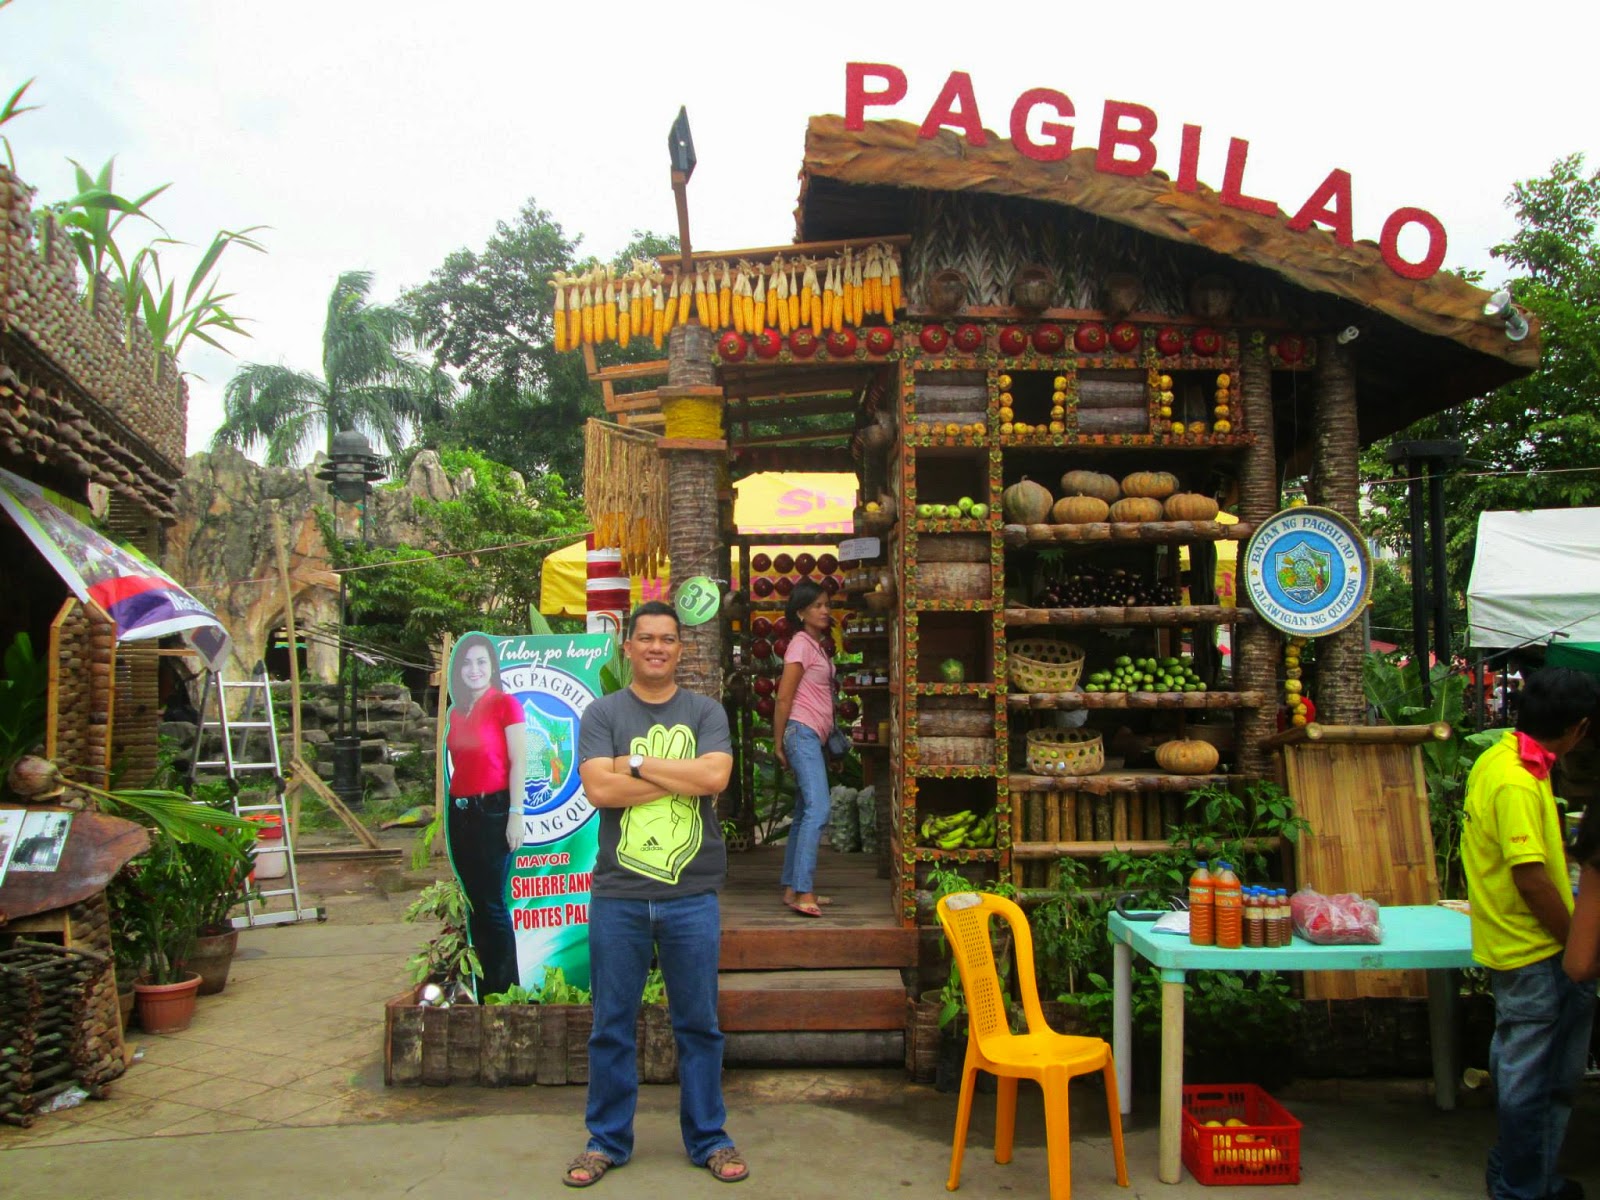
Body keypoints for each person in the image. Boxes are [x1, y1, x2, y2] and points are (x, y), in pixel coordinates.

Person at [565, 601, 745, 1188]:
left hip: (691, 894)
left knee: (699, 1023)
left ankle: (709, 1139)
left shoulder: (706, 711)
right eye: (646, 639)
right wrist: (676, 776)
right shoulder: (603, 713)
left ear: (680, 649)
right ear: (629, 647)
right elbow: (597, 789)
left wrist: (635, 763)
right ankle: (606, 1140)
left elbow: (714, 779)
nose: (657, 648)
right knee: (611, 1024)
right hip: (618, 895)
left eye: (668, 639)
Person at [1461, 666, 1598, 1200]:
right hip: (1535, 952)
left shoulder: (1501, 758)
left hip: (1518, 947)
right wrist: (1575, 944)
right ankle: (1522, 1188)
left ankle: (1525, 1178)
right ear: (1579, 728)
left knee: (1539, 1078)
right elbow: (1530, 877)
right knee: (1535, 1085)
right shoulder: (1516, 779)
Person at [443, 632, 526, 998]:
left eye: (481, 662)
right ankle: (483, 989)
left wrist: (515, 813)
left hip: (493, 810)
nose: (473, 669)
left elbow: (519, 761)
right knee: (474, 903)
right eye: (466, 663)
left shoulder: (505, 704)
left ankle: (505, 992)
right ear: (458, 670)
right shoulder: (455, 713)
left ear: (492, 667)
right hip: (459, 813)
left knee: (492, 905)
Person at [771, 579, 837, 918]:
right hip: (801, 733)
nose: (825, 611)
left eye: (826, 604)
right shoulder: (799, 644)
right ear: (800, 613)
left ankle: (790, 888)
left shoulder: (816, 644)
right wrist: (778, 740)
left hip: (812, 736)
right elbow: (784, 696)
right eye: (817, 606)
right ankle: (804, 891)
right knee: (819, 809)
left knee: (803, 813)